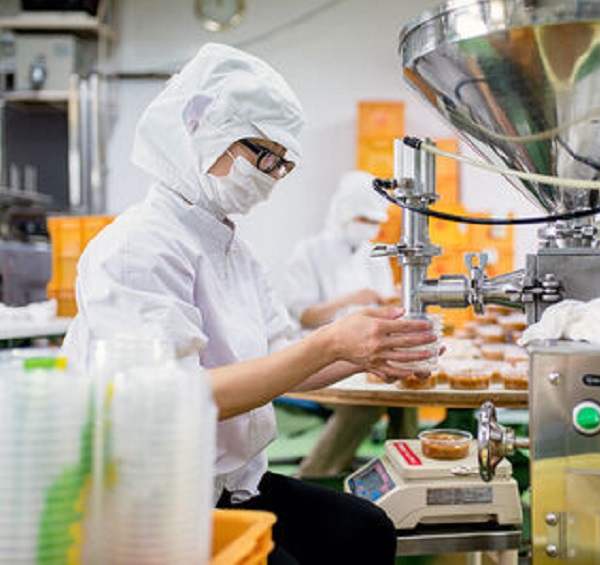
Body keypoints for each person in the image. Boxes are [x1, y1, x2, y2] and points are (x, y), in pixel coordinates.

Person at [60, 43, 437, 565]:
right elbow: (173, 400)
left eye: (282, 164)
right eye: (265, 156)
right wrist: (333, 341)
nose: (271, 175)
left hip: (227, 482)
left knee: (364, 529)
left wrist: (364, 355)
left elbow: (281, 356)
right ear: (201, 130)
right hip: (155, 499)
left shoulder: (231, 249)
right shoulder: (136, 248)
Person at [282, 170, 418, 477]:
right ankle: (317, 475)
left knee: (405, 390)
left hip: (367, 352)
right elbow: (305, 316)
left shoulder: (375, 254)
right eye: (362, 219)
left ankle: (406, 472)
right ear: (343, 212)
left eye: (374, 221)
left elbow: (385, 306)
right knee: (367, 400)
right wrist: (351, 299)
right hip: (319, 356)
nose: (368, 226)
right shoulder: (310, 252)